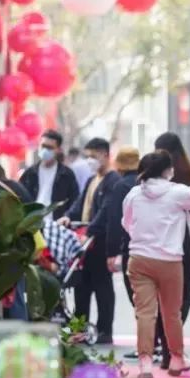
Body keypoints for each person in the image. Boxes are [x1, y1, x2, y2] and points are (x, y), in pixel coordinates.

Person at [123, 151, 190, 378]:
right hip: (170, 260)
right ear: (168, 170)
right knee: (171, 313)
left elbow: (127, 223)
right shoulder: (177, 193)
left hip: (139, 259)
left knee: (145, 313)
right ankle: (177, 358)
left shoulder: (133, 194)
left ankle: (145, 361)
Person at [61, 138, 121, 345]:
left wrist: (91, 231)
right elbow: (79, 204)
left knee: (102, 287)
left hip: (99, 242)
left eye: (93, 156)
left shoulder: (113, 181)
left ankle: (105, 330)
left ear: (106, 155)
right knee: (81, 287)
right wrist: (68, 216)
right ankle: (80, 328)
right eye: (87, 156)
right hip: (84, 242)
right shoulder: (91, 179)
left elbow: (106, 211)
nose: (89, 161)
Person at [154, 132, 190, 324]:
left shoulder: (156, 173)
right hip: (182, 236)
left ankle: (161, 335)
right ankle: (175, 329)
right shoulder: (187, 171)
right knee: (183, 289)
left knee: (159, 291)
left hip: (159, 237)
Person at [105, 146, 141, 306]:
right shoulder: (144, 183)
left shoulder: (120, 186)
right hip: (154, 247)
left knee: (137, 300)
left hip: (131, 248)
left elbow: (115, 220)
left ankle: (147, 330)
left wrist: (112, 252)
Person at [20, 130, 80, 220]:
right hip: (32, 225)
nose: (45, 150)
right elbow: (19, 199)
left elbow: (75, 201)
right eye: (43, 146)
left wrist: (67, 217)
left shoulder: (66, 175)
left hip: (56, 225)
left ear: (58, 150)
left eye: (50, 148)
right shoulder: (29, 174)